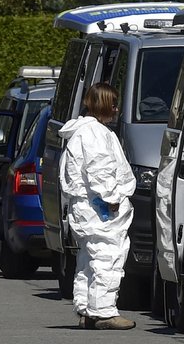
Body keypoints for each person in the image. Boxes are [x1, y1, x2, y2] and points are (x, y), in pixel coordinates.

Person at [58, 82, 137, 330]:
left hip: (87, 208)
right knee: (107, 256)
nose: (116, 109)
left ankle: (87, 308)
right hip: (98, 209)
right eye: (113, 104)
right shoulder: (95, 134)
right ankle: (103, 312)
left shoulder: (85, 132)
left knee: (88, 258)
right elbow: (100, 168)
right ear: (103, 104)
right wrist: (112, 198)